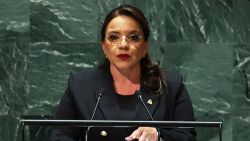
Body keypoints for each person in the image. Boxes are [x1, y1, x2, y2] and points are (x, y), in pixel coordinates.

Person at [49, 4, 196, 141]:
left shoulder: (170, 85)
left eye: (133, 37)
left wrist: (159, 135)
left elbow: (188, 136)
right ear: (104, 47)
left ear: (145, 47)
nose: (123, 45)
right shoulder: (80, 86)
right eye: (114, 37)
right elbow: (60, 137)